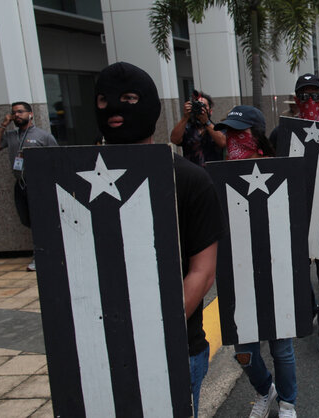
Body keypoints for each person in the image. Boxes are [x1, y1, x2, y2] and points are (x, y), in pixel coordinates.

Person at [94, 62, 224, 418]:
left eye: (129, 99)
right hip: (101, 356)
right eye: (105, 102)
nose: (115, 111)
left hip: (175, 349)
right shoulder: (80, 179)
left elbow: (203, 272)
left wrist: (150, 331)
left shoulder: (191, 181)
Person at [215, 105, 296, 418]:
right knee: (244, 351)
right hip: (238, 272)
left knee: (281, 348)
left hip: (275, 268)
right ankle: (266, 391)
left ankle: (288, 403)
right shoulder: (219, 175)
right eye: (230, 132)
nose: (234, 137)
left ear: (257, 134)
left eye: (241, 131)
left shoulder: (278, 169)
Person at [269, 73, 319, 362]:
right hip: (295, 218)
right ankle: (312, 309)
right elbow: (273, 174)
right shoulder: (282, 132)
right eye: (304, 94)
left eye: (316, 94)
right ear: (296, 98)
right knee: (298, 275)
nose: (310, 100)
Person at [0, 101, 58, 271]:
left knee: (39, 220)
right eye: (14, 112)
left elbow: (56, 158)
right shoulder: (11, 135)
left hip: (38, 184)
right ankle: (48, 244)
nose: (17, 115)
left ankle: (41, 255)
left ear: (30, 114)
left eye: (20, 112)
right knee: (26, 219)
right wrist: (3, 124)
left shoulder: (43, 136)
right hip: (20, 184)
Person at [170, 91, 226, 167]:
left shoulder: (218, 128)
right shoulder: (187, 128)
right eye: (197, 105)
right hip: (192, 173)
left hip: (214, 172)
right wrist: (185, 117)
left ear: (210, 111)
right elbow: (174, 140)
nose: (201, 108)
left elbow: (223, 142)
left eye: (204, 106)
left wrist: (206, 122)